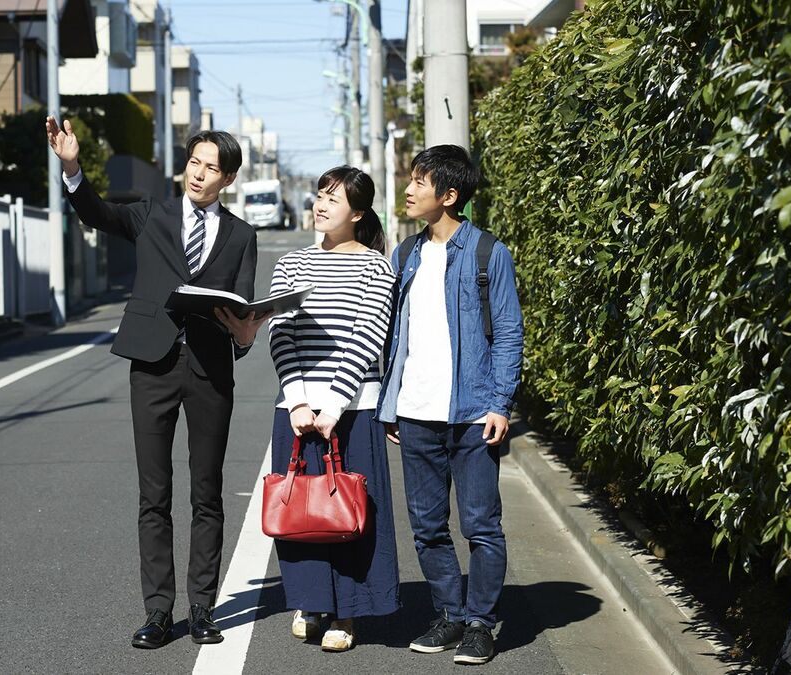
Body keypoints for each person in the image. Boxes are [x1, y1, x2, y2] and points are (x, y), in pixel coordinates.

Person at [45, 117, 269, 649]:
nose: (199, 174)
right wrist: (72, 168)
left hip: (210, 369)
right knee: (154, 493)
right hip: (152, 365)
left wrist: (245, 335)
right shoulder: (151, 213)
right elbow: (97, 213)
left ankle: (203, 608)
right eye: (194, 162)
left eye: (211, 168)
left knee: (207, 491)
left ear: (228, 178)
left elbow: (241, 309)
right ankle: (158, 612)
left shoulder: (242, 235)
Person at [376, 145, 524, 666]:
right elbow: (393, 334)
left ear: (449, 194)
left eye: (420, 182)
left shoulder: (488, 253)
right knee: (427, 527)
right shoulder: (405, 255)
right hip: (416, 412)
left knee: (480, 525)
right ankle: (450, 615)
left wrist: (500, 404)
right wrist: (392, 403)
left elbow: (508, 332)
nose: (409, 189)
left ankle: (481, 623)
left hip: (473, 413)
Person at [267, 166, 399, 652]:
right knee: (302, 511)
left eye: (334, 199)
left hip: (354, 409)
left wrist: (335, 403)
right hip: (296, 409)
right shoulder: (291, 264)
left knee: (351, 511)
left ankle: (348, 612)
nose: (321, 205)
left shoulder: (376, 267)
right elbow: (280, 332)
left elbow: (367, 338)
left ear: (358, 213)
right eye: (320, 195)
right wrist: (299, 398)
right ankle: (311, 602)